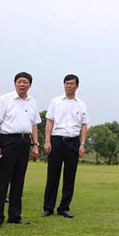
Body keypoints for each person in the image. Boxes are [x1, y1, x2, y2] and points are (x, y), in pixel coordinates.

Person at [0, 72, 40, 228]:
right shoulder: (5, 99)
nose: (22, 84)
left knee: (19, 180)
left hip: (24, 142)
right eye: (19, 82)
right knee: (0, 180)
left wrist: (35, 144)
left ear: (30, 84)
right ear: (15, 83)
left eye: (25, 82)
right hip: (7, 141)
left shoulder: (32, 102)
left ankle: (15, 216)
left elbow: (34, 125)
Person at [42, 74, 89, 218]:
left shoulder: (81, 104)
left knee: (70, 176)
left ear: (77, 86)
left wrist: (82, 144)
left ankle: (64, 207)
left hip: (73, 142)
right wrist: (47, 140)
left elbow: (84, 125)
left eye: (71, 83)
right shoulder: (56, 102)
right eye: (66, 83)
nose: (69, 86)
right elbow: (49, 121)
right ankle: (48, 207)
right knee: (52, 175)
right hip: (57, 140)